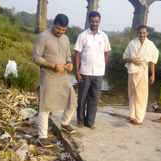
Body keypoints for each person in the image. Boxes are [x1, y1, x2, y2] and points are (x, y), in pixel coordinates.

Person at [33, 14, 76, 148]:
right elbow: (36, 57)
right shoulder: (43, 37)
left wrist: (70, 64)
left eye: (63, 30)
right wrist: (52, 66)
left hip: (63, 75)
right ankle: (42, 136)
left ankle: (64, 123)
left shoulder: (66, 39)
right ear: (54, 24)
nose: (60, 32)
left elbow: (68, 56)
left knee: (72, 99)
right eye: (58, 29)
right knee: (45, 105)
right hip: (48, 75)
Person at [74, 11, 111, 129]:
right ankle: (80, 120)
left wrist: (103, 66)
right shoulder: (83, 35)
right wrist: (77, 71)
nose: (95, 23)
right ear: (89, 21)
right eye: (93, 21)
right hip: (85, 72)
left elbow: (107, 52)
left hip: (98, 73)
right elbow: (77, 54)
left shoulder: (104, 36)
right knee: (82, 98)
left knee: (94, 99)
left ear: (99, 22)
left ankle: (90, 122)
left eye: (97, 21)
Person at [123, 25, 159, 125]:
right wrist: (132, 59)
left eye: (144, 33)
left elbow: (153, 61)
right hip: (132, 71)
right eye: (140, 33)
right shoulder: (132, 43)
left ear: (147, 33)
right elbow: (124, 57)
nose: (142, 35)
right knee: (132, 94)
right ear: (137, 33)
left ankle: (139, 118)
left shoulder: (150, 45)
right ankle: (132, 115)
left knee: (141, 95)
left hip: (143, 72)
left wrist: (153, 75)